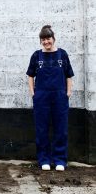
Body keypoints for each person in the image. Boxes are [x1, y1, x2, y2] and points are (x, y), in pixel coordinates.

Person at [26, 25, 74, 171]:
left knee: (61, 129)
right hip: (41, 97)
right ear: (41, 41)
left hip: (60, 96)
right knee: (42, 129)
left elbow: (69, 75)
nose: (46, 42)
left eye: (48, 38)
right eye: (43, 39)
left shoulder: (62, 54)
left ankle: (60, 160)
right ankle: (44, 160)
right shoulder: (36, 56)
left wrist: (68, 92)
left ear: (53, 39)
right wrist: (33, 93)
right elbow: (30, 75)